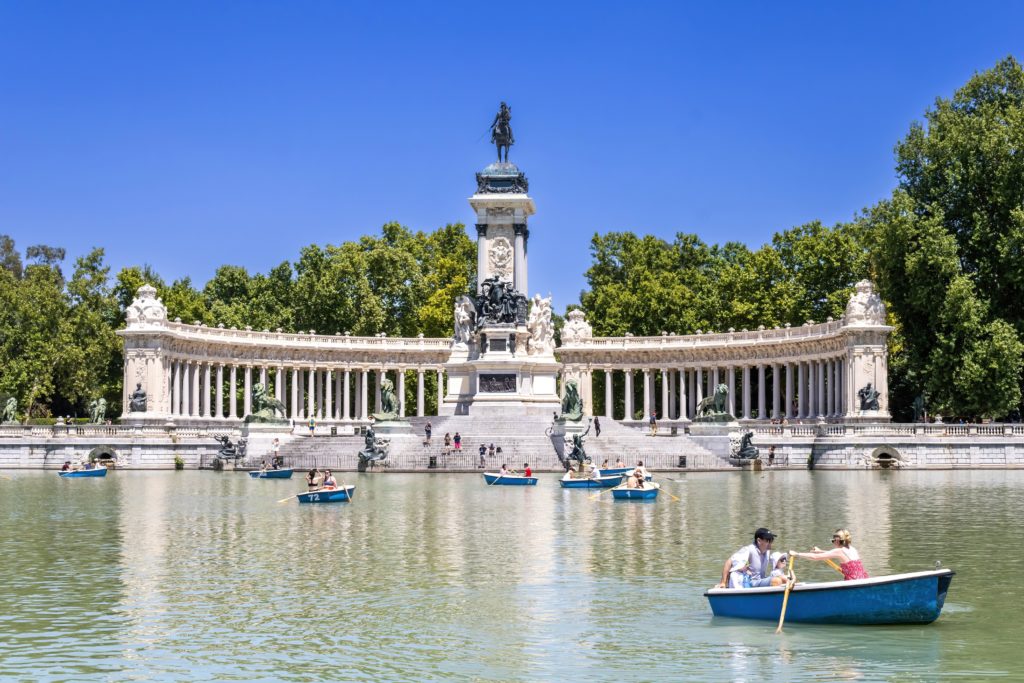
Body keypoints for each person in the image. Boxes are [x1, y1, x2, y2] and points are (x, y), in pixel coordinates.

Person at [716, 528, 785, 589]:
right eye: (768, 541)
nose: (770, 543)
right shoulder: (748, 550)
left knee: (785, 579)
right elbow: (729, 562)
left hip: (761, 580)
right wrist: (723, 582)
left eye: (771, 540)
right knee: (777, 581)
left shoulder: (767, 551)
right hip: (751, 583)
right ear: (759, 541)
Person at [790, 529, 869, 580]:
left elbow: (815, 557)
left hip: (853, 583)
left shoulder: (839, 551)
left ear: (838, 541)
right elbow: (834, 554)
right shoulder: (853, 549)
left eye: (833, 540)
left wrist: (797, 554)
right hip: (863, 579)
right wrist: (820, 551)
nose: (833, 542)